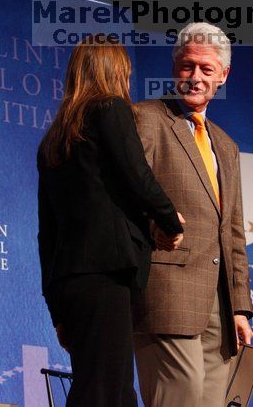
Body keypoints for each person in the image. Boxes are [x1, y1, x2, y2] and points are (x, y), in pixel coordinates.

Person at [37, 34, 184, 407]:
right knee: (106, 391)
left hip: (69, 283)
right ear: (116, 71)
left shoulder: (55, 139)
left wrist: (56, 306)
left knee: (109, 388)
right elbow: (137, 175)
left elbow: (46, 233)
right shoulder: (110, 109)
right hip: (105, 274)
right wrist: (171, 221)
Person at [132, 22, 253, 407]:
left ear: (223, 75)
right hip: (165, 291)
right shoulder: (146, 118)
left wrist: (239, 306)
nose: (195, 77)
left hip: (217, 307)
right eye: (187, 66)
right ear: (174, 68)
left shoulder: (227, 145)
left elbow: (232, 232)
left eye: (206, 69)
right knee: (178, 399)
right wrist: (156, 226)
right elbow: (126, 196)